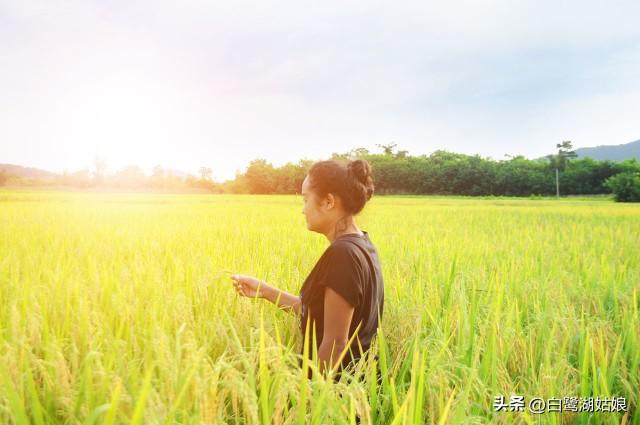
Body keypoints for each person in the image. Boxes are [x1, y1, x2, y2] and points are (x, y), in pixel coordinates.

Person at [230, 158, 385, 382]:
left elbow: (335, 342)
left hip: (338, 399)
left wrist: (310, 402)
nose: (303, 210)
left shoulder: (343, 255)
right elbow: (322, 312)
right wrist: (264, 291)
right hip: (358, 388)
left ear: (328, 201)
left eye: (305, 199)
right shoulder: (363, 245)